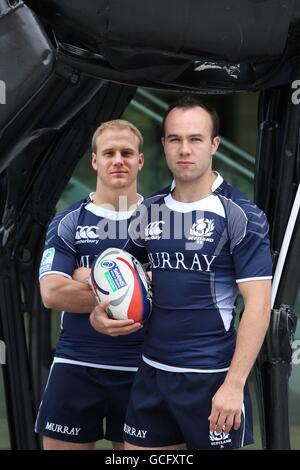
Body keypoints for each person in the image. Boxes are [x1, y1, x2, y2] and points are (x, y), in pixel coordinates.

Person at [90, 96, 272, 450]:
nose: (184, 149)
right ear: (164, 145)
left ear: (214, 145)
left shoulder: (241, 215)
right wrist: (100, 313)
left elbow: (259, 305)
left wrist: (234, 385)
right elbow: (114, 270)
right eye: (175, 139)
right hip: (152, 374)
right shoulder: (150, 210)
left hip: (211, 381)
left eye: (195, 139)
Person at [35, 119, 145, 450]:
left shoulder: (162, 222)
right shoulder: (69, 220)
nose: (118, 160)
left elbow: (176, 287)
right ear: (95, 160)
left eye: (127, 152)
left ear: (140, 160)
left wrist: (89, 275)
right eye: (109, 152)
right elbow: (52, 293)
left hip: (143, 368)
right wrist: (134, 282)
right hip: (76, 363)